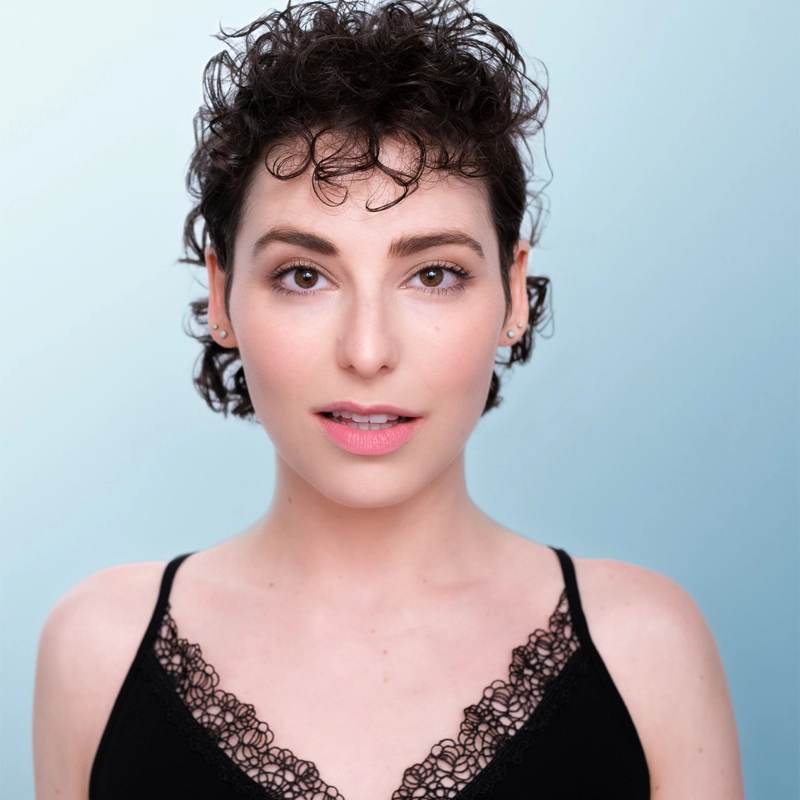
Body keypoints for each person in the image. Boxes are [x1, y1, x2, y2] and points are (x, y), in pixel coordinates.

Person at [32, 1, 744, 798]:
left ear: (513, 291)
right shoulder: (97, 653)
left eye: (433, 274)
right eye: (304, 275)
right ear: (222, 293)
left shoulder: (647, 653)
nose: (367, 352)